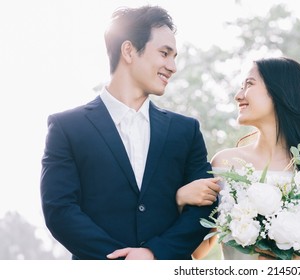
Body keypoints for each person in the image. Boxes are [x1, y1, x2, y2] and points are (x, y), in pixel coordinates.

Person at [40, 5, 220, 260]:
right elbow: (60, 210)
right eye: (164, 53)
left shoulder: (186, 130)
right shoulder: (67, 127)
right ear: (128, 50)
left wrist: (153, 254)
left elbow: (206, 206)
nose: (173, 66)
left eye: (174, 56)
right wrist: (119, 261)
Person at [176, 56, 300, 260]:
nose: (238, 95)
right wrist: (181, 200)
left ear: (280, 92)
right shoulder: (225, 163)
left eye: (249, 84)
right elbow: (198, 251)